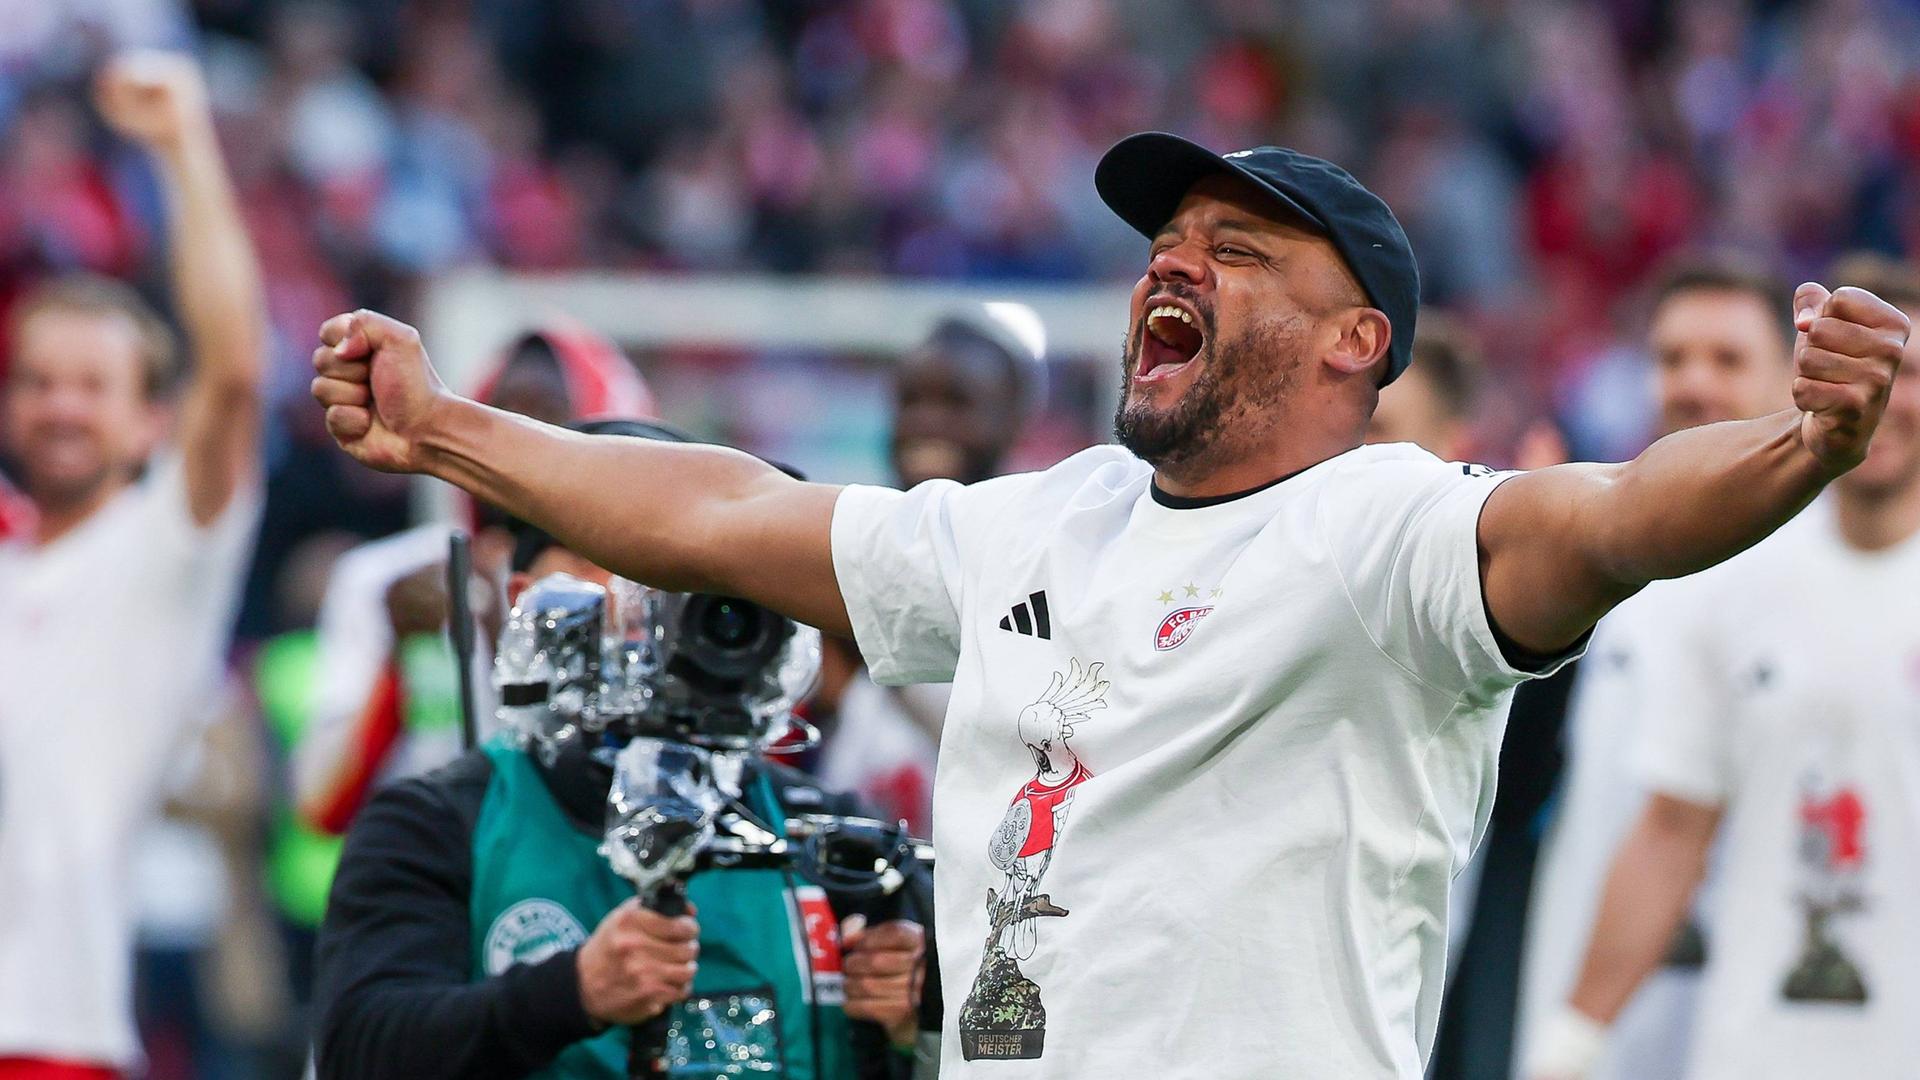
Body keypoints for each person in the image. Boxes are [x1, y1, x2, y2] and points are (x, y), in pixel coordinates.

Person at [306, 132, 1907, 1077]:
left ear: (1356, 341)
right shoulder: (1041, 520)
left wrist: (1806, 440)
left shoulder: (1394, 533)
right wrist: (446, 432)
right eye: (1164, 242)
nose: (1172, 265)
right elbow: (723, 512)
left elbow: (1620, 515)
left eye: (1236, 249)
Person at [312, 420, 927, 1080]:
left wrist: (920, 1020)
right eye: (604, 555)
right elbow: (359, 1050)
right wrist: (571, 991)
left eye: (679, 568)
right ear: (526, 602)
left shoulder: (831, 843)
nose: (645, 598)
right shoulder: (440, 823)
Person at [1529, 257, 1920, 1080]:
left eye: (1905, 372)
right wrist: (1570, 1044)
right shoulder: (1730, 587)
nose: (1882, 395)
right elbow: (1672, 829)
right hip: (1748, 1050)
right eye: (1856, 366)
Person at [0, 52, 265, 1078]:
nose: (60, 406)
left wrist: (182, 141)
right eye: (36, 382)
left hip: (48, 1038)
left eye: (91, 385)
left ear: (152, 420)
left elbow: (232, 372)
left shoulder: (161, 554)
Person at [1514, 261, 1798, 1080]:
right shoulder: (1596, 553)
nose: (1695, 383)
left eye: (1727, 359)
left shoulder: (1832, 567)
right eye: (1673, 359)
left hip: (1759, 1028)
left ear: (1790, 375)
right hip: (1583, 1018)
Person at [294, 323, 657, 834]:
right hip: (428, 868)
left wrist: (500, 631)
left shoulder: (636, 584)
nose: (522, 440)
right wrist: (399, 662)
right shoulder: (389, 579)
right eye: (504, 413)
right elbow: (321, 805)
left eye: (549, 418)